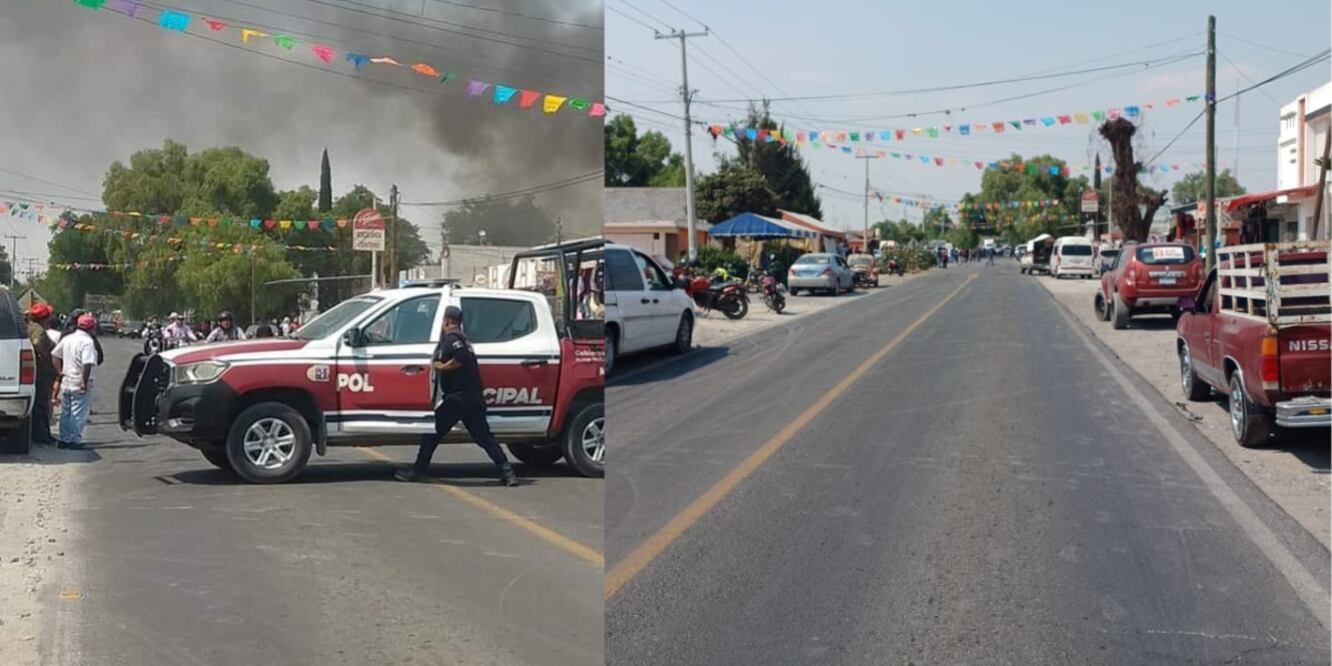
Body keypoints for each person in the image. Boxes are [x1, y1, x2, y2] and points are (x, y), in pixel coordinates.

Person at [395, 306, 517, 486]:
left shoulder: (453, 339)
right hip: (472, 397)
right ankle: (507, 472)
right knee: (484, 437)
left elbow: (461, 358)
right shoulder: (463, 339)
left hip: (459, 398)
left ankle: (417, 471)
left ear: (446, 321)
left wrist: (441, 367)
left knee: (431, 433)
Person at [51, 314, 99, 450]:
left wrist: (59, 372)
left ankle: (64, 439)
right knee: (78, 412)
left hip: (66, 379)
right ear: (91, 328)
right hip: (79, 380)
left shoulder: (68, 338)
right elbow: (87, 364)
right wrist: (84, 382)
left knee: (66, 412)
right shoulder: (87, 342)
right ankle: (74, 440)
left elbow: (54, 355)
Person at [26, 304, 57, 446]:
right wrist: (43, 355)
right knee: (41, 404)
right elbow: (37, 342)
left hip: (38, 372)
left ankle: (39, 433)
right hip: (41, 373)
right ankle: (42, 435)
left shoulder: (29, 327)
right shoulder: (38, 330)